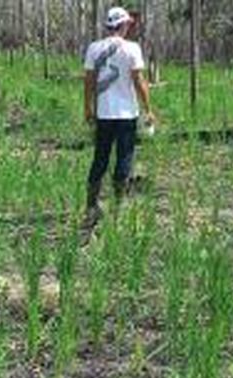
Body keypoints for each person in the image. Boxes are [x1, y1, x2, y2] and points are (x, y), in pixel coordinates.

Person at [83, 7, 154, 223]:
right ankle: (118, 207)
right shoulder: (132, 48)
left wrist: (87, 108)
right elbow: (138, 81)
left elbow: (88, 81)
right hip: (126, 114)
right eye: (128, 24)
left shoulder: (94, 48)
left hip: (104, 114)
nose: (129, 27)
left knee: (100, 158)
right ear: (122, 25)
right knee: (124, 158)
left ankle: (91, 205)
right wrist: (148, 109)